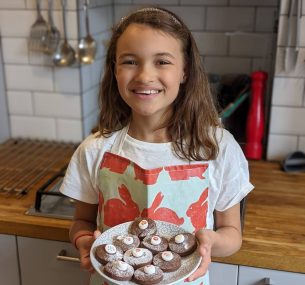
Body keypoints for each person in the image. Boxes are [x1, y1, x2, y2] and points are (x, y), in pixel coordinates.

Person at [60, 6, 254, 285]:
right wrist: (81, 240)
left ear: (185, 71)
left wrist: (211, 242)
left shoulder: (217, 148)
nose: (144, 76)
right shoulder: (95, 149)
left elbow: (231, 233)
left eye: (162, 61)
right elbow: (82, 222)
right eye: (129, 61)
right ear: (114, 70)